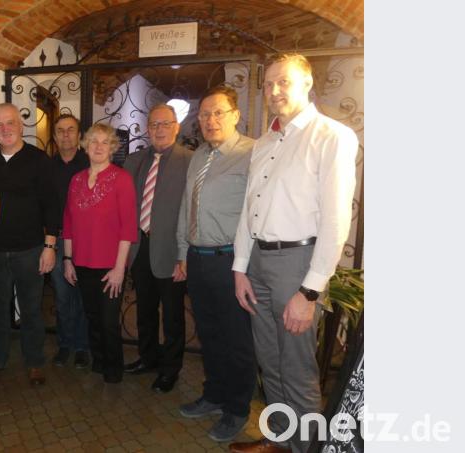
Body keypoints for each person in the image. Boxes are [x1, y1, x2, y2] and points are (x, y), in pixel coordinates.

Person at [229, 53, 359, 453]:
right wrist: (239, 268)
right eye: (268, 84)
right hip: (259, 263)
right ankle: (280, 440)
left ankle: (307, 448)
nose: (273, 90)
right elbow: (250, 209)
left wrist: (309, 292)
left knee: (298, 367)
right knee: (270, 362)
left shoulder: (332, 135)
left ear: (307, 84)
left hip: (297, 265)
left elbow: (337, 220)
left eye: (283, 81)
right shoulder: (264, 142)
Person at [175, 85, 256, 443]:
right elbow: (185, 208)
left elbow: (258, 213)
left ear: (235, 115)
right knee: (209, 335)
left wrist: (246, 263)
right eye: (204, 114)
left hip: (231, 262)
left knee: (237, 339)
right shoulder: (198, 156)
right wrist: (182, 253)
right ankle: (215, 394)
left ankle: (237, 408)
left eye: (218, 112)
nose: (210, 120)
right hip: (198, 257)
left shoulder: (253, 153)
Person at [0, 103, 60, 386]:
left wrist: (50, 247)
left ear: (21, 126)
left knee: (31, 309)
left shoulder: (40, 160)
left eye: (10, 123)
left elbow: (52, 206)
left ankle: (35, 361)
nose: (5, 129)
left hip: (30, 250)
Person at [123, 104, 194, 393]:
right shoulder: (134, 161)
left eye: (165, 124)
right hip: (140, 247)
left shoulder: (190, 161)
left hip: (172, 250)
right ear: (147, 129)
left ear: (176, 127)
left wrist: (184, 256)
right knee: (145, 311)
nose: (159, 129)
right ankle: (148, 357)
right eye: (154, 124)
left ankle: (170, 368)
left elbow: (193, 211)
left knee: (174, 315)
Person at [61, 123, 137, 383]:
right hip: (81, 261)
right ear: (86, 145)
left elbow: (128, 228)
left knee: (107, 320)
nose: (99, 147)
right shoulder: (76, 180)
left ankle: (113, 369)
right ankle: (99, 362)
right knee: (92, 317)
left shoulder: (121, 178)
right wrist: (68, 259)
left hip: (109, 265)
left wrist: (119, 269)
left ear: (112, 147)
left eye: (105, 142)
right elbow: (68, 222)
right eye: (94, 141)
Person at [49, 114, 91, 369]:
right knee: (63, 296)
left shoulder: (90, 164)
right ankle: (65, 344)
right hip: (58, 238)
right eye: (60, 131)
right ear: (54, 137)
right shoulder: (47, 167)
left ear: (79, 135)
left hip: (86, 240)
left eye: (71, 130)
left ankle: (83, 346)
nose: (65, 135)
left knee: (83, 296)